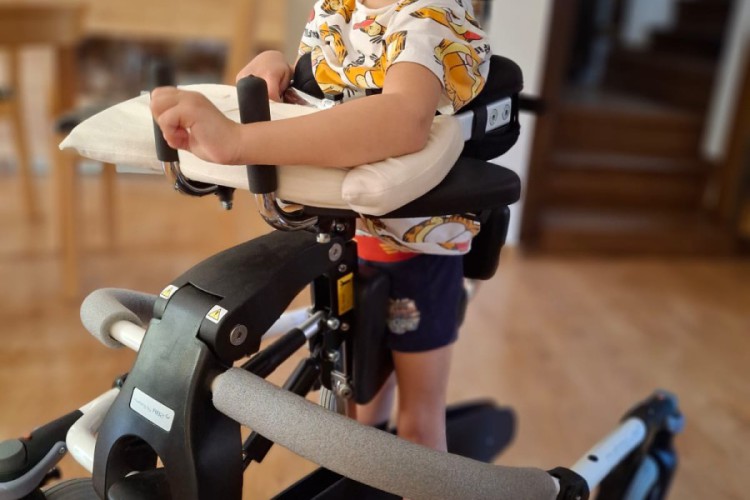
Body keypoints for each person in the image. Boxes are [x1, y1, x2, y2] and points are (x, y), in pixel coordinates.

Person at [151, 0, 490, 452]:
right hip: (342, 234)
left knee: (419, 425)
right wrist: (280, 70)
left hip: (416, 248)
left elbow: (404, 119)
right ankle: (368, 469)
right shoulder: (335, 7)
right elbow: (322, 101)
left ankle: (404, 470)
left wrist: (238, 141)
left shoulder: (432, 11)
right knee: (360, 400)